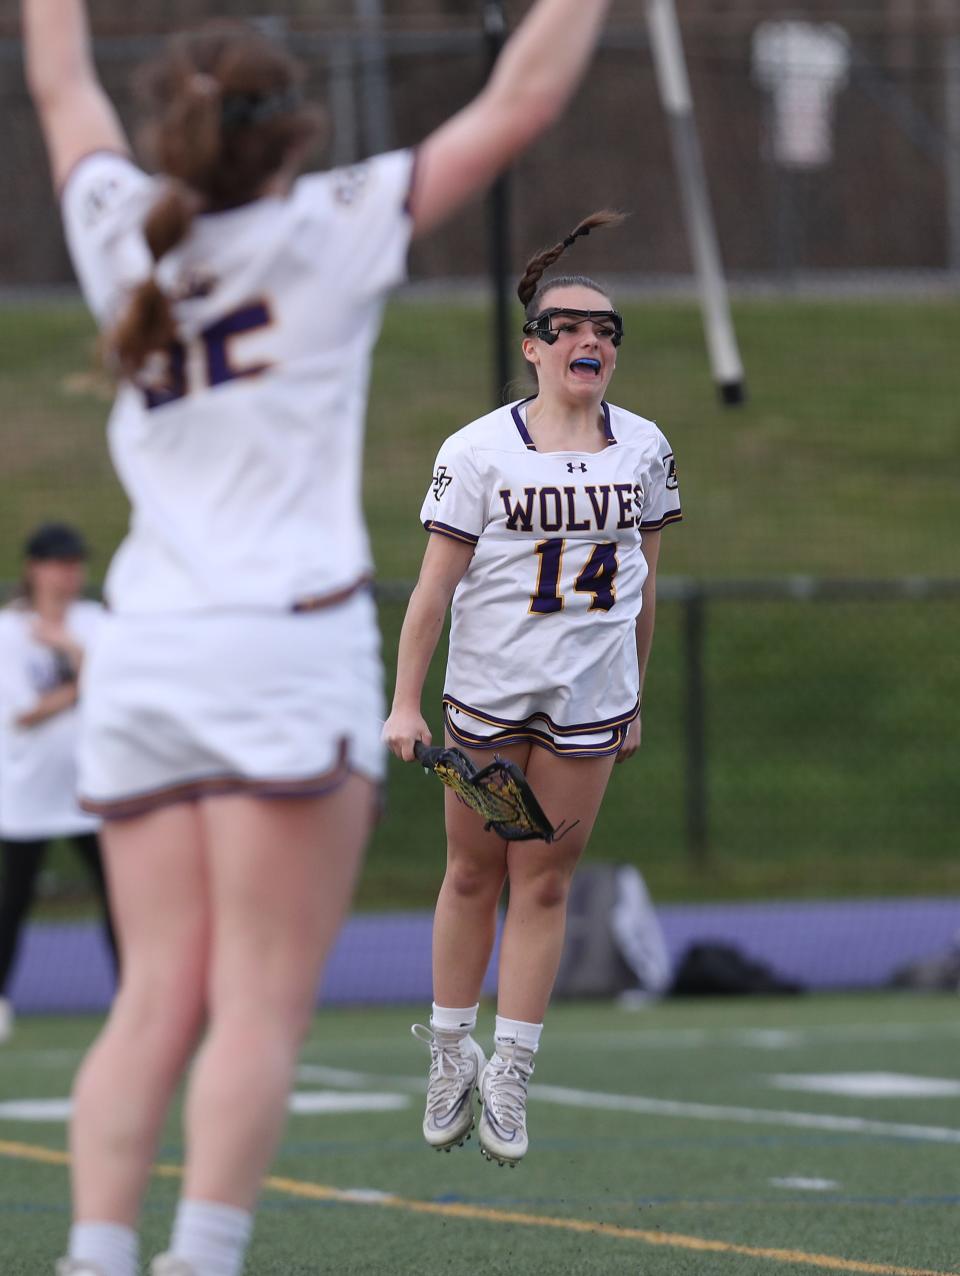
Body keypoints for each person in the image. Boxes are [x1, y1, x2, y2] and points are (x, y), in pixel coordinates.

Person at [22, 1, 614, 1273]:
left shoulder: (119, 220)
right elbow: (520, 102)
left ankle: (97, 1253)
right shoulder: (330, 225)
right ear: (290, 132)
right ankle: (201, 1255)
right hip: (281, 654)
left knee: (151, 999)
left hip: (148, 651)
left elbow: (60, 75)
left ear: (173, 128)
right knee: (255, 1003)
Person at [383, 211, 683, 1167]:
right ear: (532, 346)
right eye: (569, 326)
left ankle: (511, 1071)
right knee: (473, 871)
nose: (590, 339)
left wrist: (634, 690)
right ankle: (448, 1050)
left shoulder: (645, 448)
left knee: (543, 884)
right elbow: (432, 591)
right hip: (489, 697)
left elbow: (644, 581)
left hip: (589, 702)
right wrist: (403, 702)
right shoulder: (478, 450)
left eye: (606, 330)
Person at [0, 522, 116, 1044]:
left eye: (75, 563)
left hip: (92, 790)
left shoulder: (94, 622)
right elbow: (24, 712)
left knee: (120, 894)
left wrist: (76, 653)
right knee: (12, 900)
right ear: (34, 568)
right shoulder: (8, 630)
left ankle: (134, 997)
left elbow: (120, 687)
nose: (69, 573)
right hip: (26, 793)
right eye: (58, 562)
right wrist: (88, 674)